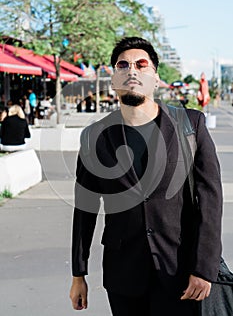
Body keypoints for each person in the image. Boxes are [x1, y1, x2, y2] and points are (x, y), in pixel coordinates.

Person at [69, 37, 223, 316]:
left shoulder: (191, 125)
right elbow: (85, 209)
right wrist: (78, 274)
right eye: (123, 65)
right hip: (122, 273)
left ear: (155, 77)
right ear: (114, 77)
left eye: (142, 65)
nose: (132, 71)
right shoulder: (94, 137)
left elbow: (211, 201)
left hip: (180, 270)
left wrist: (204, 267)